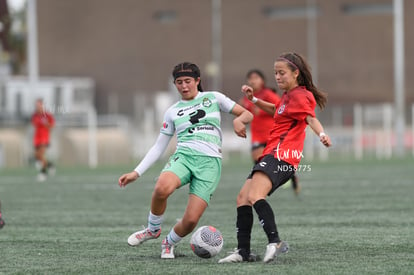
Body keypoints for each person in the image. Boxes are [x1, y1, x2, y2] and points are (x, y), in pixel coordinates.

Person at [118, 62, 253, 259]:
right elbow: (159, 146)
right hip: (184, 157)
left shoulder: (213, 98)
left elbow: (246, 113)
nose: (184, 86)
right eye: (179, 82)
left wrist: (238, 121)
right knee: (161, 188)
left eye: (188, 81)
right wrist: (136, 172)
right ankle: (153, 229)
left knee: (190, 220)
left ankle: (169, 242)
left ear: (198, 81)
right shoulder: (173, 111)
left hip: (210, 164)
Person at [219, 52, 331, 264]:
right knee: (243, 198)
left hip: (282, 156)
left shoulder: (301, 95)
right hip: (272, 153)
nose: (277, 77)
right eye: (275, 73)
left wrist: (322, 135)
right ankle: (243, 251)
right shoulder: (287, 96)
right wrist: (253, 99)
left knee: (255, 196)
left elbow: (310, 118)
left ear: (296, 73)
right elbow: (274, 110)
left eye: (282, 73)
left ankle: (275, 241)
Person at [240, 69, 301, 195]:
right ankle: (261, 184)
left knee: (276, 160)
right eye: (250, 78)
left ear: (262, 81)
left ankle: (291, 178)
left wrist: (262, 111)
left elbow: (281, 109)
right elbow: (243, 110)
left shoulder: (267, 94)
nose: (253, 81)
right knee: (257, 159)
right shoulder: (247, 98)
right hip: (256, 134)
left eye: (256, 78)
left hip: (272, 134)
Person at [31, 98, 55, 182]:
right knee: (37, 155)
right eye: (36, 105)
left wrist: (46, 123)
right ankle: (50, 165)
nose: (37, 107)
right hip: (37, 138)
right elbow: (34, 123)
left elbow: (52, 125)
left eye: (39, 105)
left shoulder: (48, 115)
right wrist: (41, 122)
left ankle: (43, 173)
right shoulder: (35, 115)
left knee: (41, 155)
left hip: (44, 138)